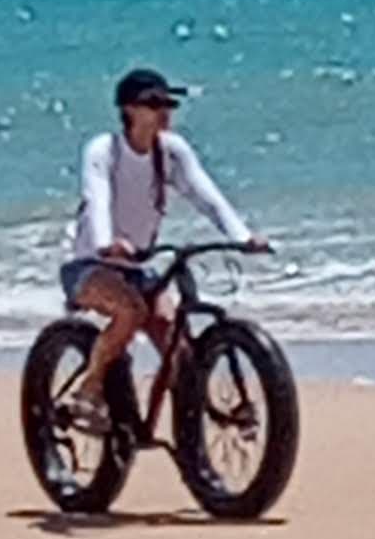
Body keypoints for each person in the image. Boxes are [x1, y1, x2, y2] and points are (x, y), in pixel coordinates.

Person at [62, 69, 261, 404]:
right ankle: (89, 388)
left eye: (168, 103)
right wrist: (106, 242)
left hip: (137, 267)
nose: (164, 111)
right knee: (129, 310)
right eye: (154, 104)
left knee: (176, 341)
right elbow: (98, 198)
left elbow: (206, 196)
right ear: (128, 110)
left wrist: (242, 236)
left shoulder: (171, 151)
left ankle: (180, 419)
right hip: (88, 265)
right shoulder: (104, 150)